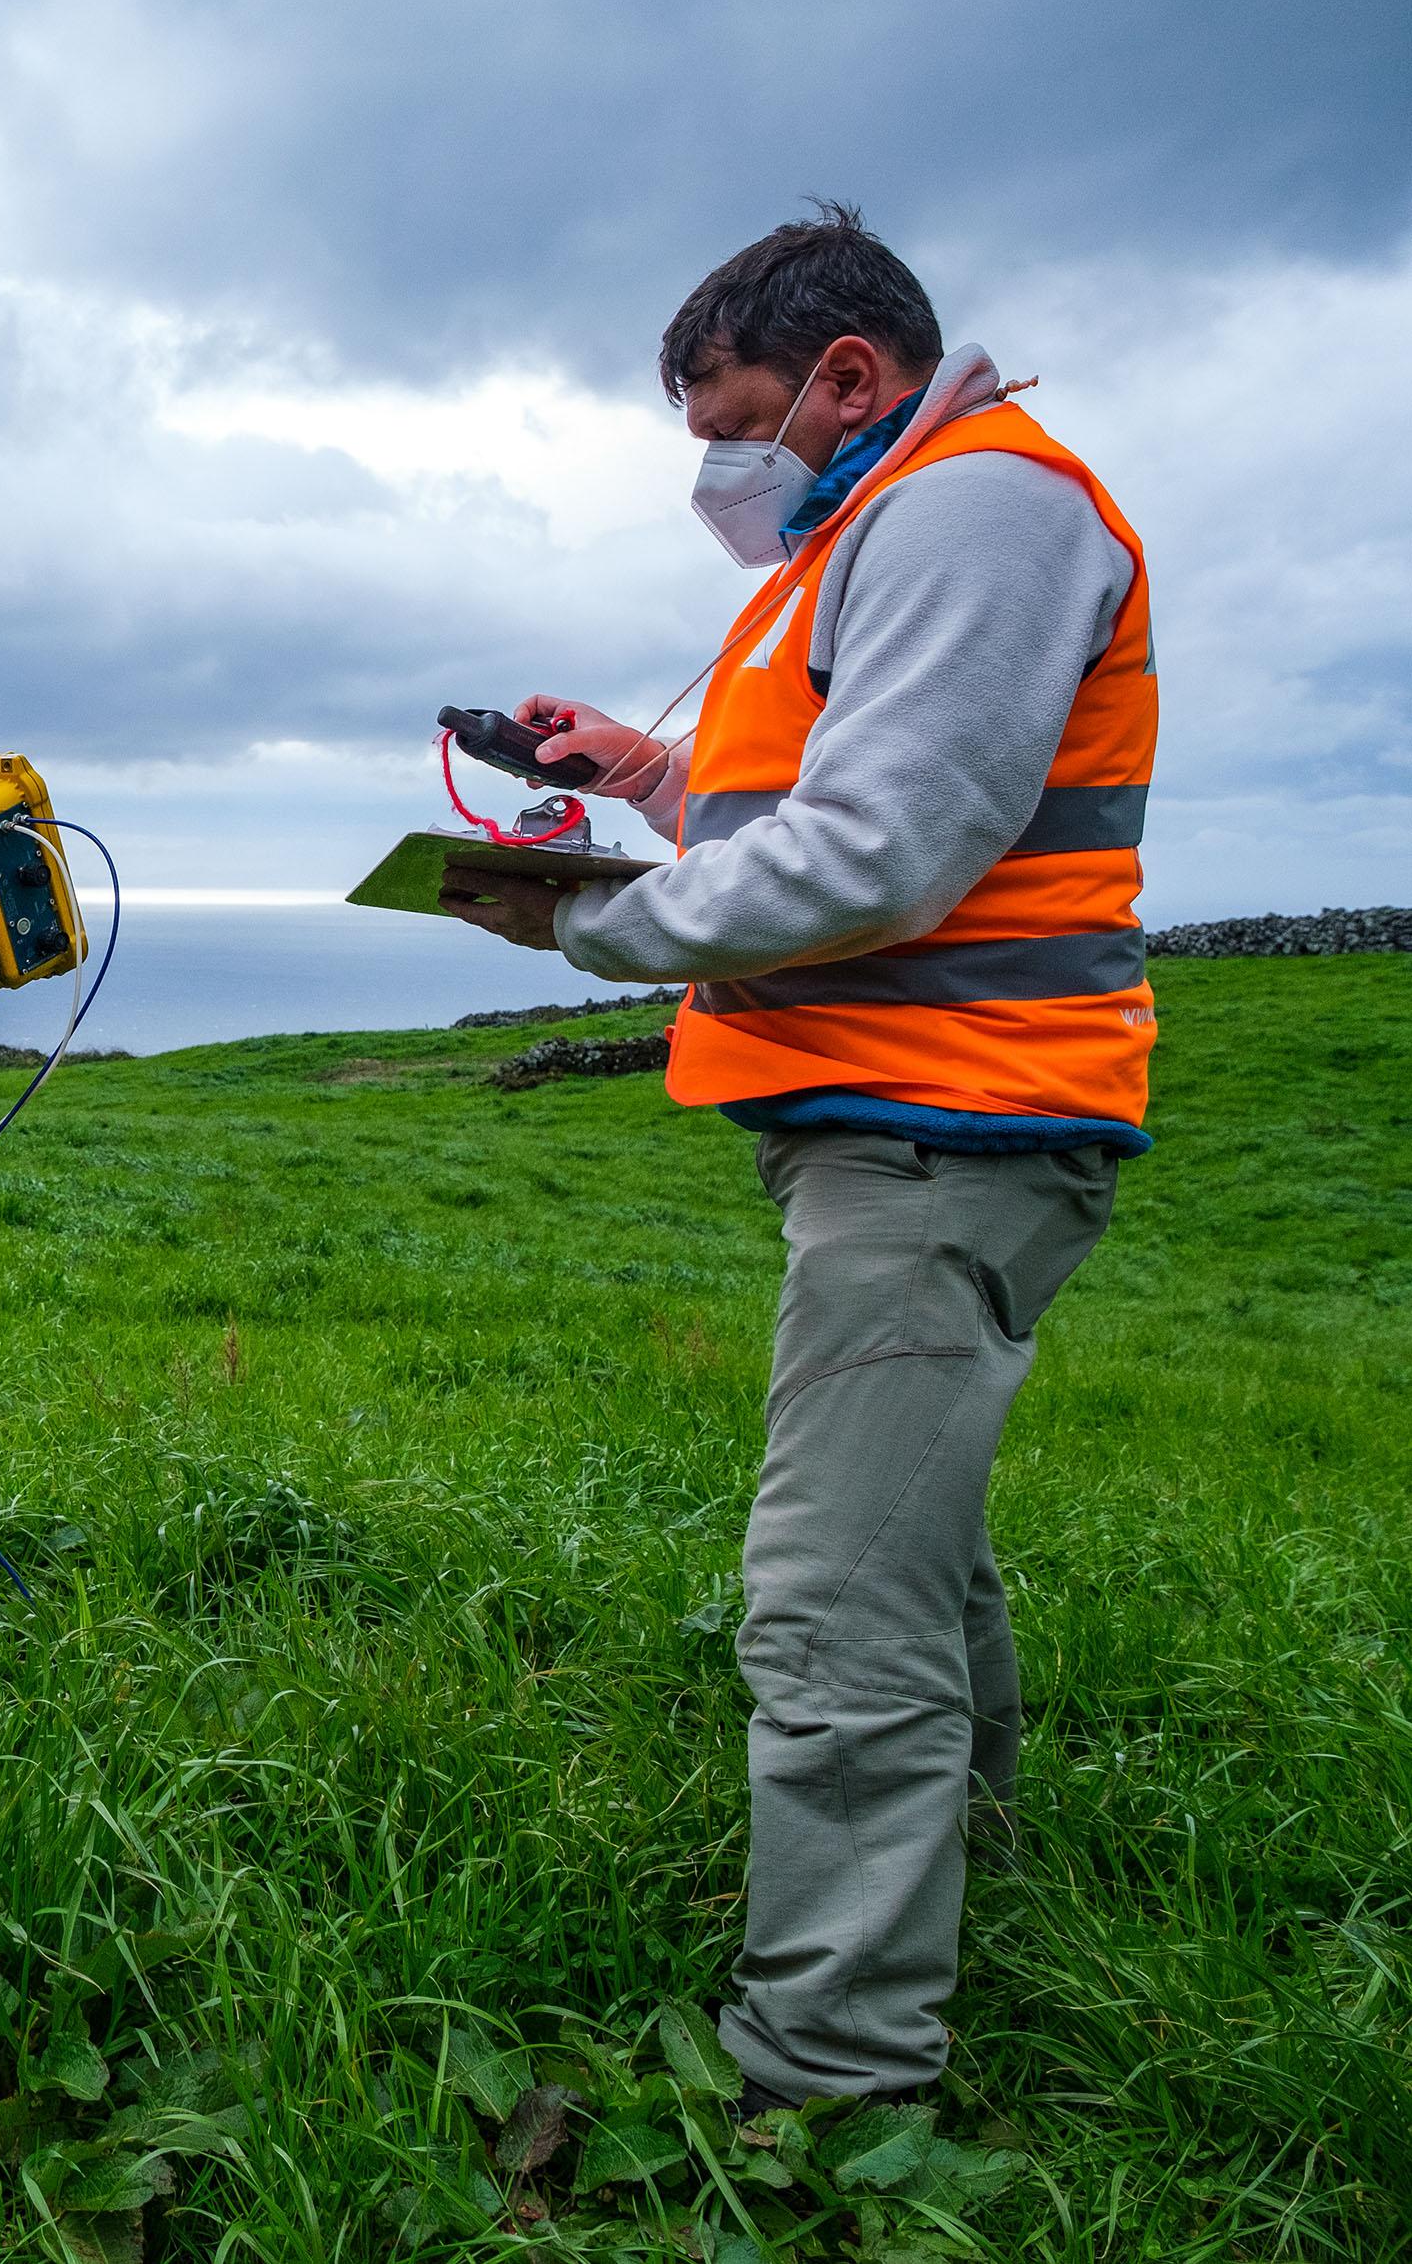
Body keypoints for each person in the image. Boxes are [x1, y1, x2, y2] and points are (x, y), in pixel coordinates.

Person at [440, 206, 1156, 2113]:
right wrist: (649, 781)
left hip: (955, 1115)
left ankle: (828, 2088)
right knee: (912, 1548)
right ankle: (959, 1887)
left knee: (834, 1593)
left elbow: (888, 848)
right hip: (913, 1115)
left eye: (735, 422)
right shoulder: (876, 530)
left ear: (850, 375)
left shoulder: (975, 509)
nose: (720, 471)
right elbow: (822, 793)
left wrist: (593, 917)